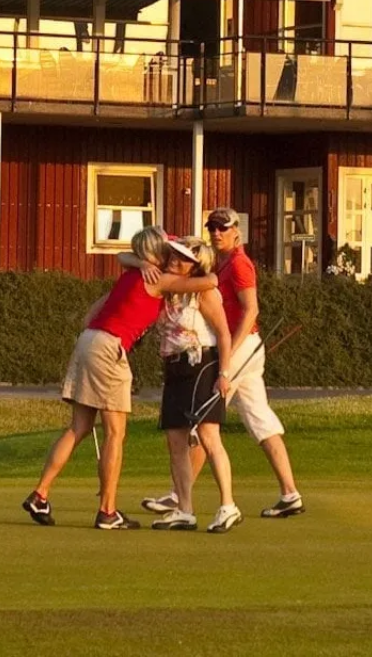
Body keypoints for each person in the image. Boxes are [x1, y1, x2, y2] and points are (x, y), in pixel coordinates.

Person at [23, 226, 216, 531]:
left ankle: (40, 493)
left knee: (79, 426)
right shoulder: (159, 280)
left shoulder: (130, 274)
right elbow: (211, 281)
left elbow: (110, 277)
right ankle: (108, 511)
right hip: (110, 347)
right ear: (158, 252)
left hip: (88, 340)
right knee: (115, 433)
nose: (173, 256)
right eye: (168, 251)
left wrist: (139, 262)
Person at [142, 207, 304, 520]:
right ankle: (290, 493)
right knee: (260, 420)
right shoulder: (220, 261)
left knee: (204, 421)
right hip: (243, 349)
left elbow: (251, 310)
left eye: (222, 228)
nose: (216, 233)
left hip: (239, 347)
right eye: (212, 227)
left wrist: (228, 356)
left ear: (236, 231)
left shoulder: (240, 263)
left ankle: (180, 497)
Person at [150, 237, 241, 532]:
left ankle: (228, 505)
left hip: (202, 364)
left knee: (208, 435)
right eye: (172, 257)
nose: (174, 262)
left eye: (181, 259)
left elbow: (224, 334)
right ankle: (185, 509)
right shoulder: (168, 291)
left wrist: (224, 374)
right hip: (174, 366)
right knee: (175, 440)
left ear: (195, 266)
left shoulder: (205, 293)